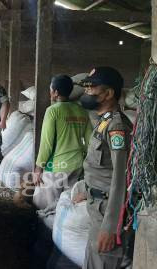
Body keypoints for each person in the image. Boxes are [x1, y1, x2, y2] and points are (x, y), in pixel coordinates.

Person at [79, 67, 132, 269]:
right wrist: (86, 190)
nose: (86, 92)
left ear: (108, 93)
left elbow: (121, 178)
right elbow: (100, 169)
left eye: (91, 87)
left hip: (107, 213)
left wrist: (111, 227)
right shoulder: (104, 122)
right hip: (98, 206)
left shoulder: (116, 127)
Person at [33, 75, 92, 210]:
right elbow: (89, 142)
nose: (50, 93)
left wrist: (38, 168)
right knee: (66, 204)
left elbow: (46, 143)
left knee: (45, 206)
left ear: (56, 92)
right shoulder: (82, 111)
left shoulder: (53, 111)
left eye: (51, 90)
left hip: (56, 165)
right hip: (77, 165)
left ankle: (46, 231)